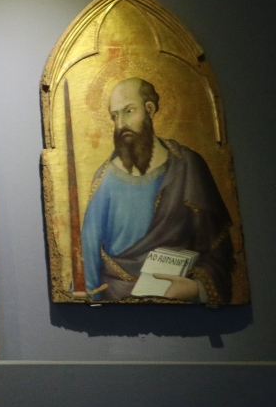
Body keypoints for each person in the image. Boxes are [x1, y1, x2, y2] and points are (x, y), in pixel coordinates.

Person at [80, 77, 234, 303]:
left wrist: (195, 288)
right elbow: (89, 259)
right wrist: (91, 298)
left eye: (129, 111)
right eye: (115, 116)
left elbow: (218, 248)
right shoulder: (105, 180)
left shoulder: (188, 166)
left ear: (149, 109)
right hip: (116, 299)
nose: (121, 124)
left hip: (181, 305)